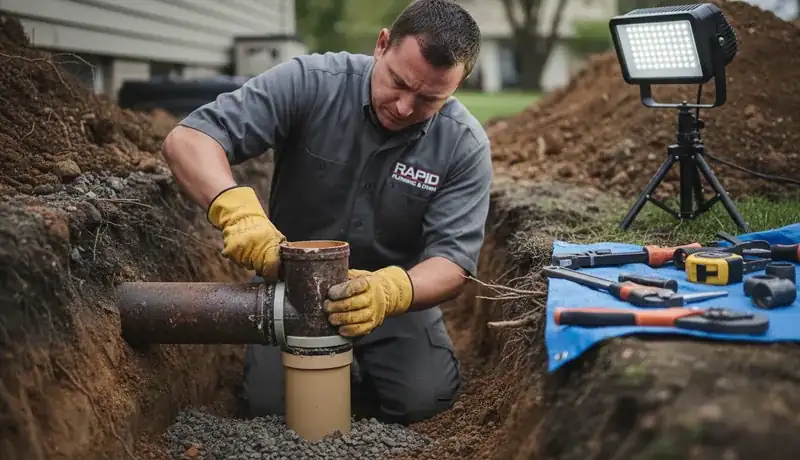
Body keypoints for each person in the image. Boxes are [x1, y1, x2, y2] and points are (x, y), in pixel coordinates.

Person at [161, 0, 492, 424]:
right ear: (382, 45)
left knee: (424, 401)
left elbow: (453, 263)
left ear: (458, 86)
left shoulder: (464, 145)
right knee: (268, 408)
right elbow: (189, 140)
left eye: (429, 99)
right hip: (288, 286)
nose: (405, 108)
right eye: (398, 82)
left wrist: (391, 292)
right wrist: (237, 212)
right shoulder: (312, 82)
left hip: (389, 296)